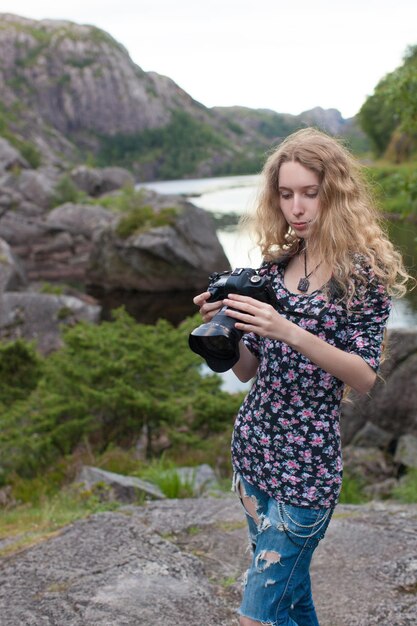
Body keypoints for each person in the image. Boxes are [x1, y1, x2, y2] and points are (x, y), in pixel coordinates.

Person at [193, 127, 413, 626]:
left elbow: (364, 377)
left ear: (335, 194)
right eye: (287, 194)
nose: (297, 207)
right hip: (254, 450)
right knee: (291, 601)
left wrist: (288, 330)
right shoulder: (276, 265)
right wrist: (220, 334)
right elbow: (250, 371)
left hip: (307, 468)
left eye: (310, 194)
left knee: (257, 615)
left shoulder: (363, 273)